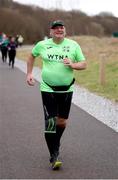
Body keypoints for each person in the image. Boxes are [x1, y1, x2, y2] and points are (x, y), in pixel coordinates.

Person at [26, 20, 86, 170]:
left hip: (66, 89)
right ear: (51, 31)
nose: (59, 30)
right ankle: (54, 155)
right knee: (50, 123)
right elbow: (31, 56)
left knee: (62, 122)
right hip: (48, 88)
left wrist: (73, 65)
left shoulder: (73, 45)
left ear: (65, 30)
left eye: (61, 28)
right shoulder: (42, 45)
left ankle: (55, 143)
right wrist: (29, 74)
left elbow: (83, 64)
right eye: (55, 28)